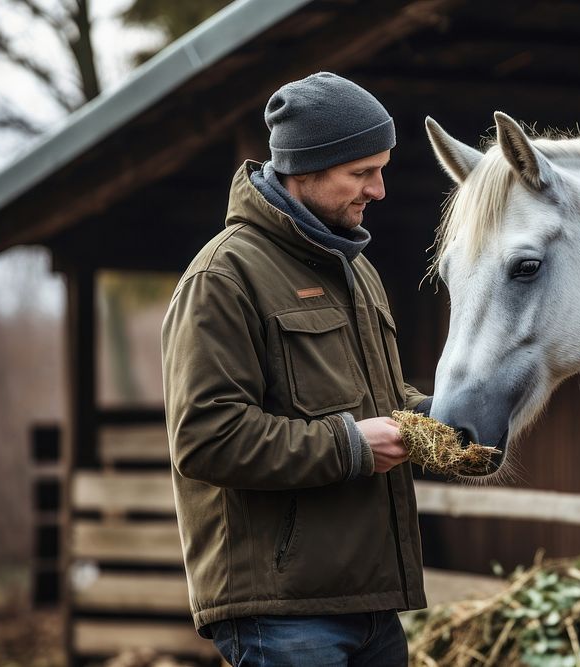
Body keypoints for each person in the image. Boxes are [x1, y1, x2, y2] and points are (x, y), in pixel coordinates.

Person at [162, 72, 431, 666]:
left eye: (381, 169)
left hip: (370, 602)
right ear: (304, 169)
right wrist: (349, 447)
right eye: (362, 173)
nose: (379, 190)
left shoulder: (354, 269)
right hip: (282, 611)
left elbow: (376, 403)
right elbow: (207, 438)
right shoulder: (223, 278)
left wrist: (434, 420)